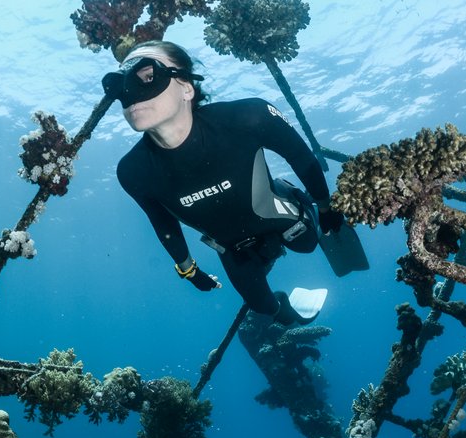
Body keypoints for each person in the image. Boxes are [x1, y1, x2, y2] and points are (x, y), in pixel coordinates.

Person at [104, 40, 345, 326]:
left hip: (280, 215)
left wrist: (325, 206)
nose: (130, 93)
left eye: (147, 76)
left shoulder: (249, 117)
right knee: (266, 309)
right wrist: (188, 269)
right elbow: (163, 222)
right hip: (233, 247)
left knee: (307, 244)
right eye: (120, 86)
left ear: (186, 88)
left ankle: (292, 194)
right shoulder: (133, 171)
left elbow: (301, 157)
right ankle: (281, 301)